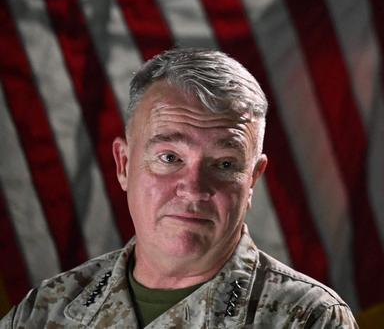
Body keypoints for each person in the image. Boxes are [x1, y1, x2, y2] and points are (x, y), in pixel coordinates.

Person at [1, 48, 358, 328]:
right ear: (124, 164)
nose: (193, 189)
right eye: (170, 158)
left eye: (225, 164)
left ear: (252, 179)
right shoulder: (47, 310)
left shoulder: (308, 318)